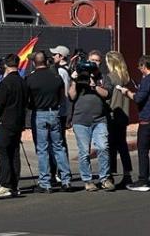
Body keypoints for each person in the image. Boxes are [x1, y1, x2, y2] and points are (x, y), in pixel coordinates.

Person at [25, 51, 71, 192]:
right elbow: (62, 97)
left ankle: (45, 182)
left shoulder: (30, 79)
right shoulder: (56, 77)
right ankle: (66, 180)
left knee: (42, 148)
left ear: (34, 63)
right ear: (46, 61)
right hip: (54, 112)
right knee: (58, 146)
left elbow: (28, 101)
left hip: (39, 113)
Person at [69, 49, 113, 191]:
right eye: (92, 60)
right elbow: (71, 96)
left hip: (99, 119)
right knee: (84, 152)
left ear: (100, 63)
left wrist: (94, 86)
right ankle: (88, 181)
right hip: (81, 120)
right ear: (87, 60)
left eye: (97, 60)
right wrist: (74, 80)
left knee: (103, 147)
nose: (94, 63)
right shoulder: (81, 75)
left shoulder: (103, 77)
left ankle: (105, 178)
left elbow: (107, 94)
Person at [0, 53, 28, 198]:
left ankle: (5, 184)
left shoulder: (6, 83)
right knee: (14, 152)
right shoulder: (22, 81)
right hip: (18, 121)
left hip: (6, 121)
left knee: (1, 150)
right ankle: (14, 184)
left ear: (6, 65)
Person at [119, 54, 150, 191]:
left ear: (144, 66)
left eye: (140, 66)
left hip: (146, 120)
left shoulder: (147, 80)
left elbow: (138, 98)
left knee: (143, 150)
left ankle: (143, 180)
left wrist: (126, 92)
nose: (139, 69)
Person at [106, 50, 134, 187]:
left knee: (110, 145)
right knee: (122, 145)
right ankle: (127, 174)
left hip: (112, 114)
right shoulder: (126, 77)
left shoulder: (110, 77)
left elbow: (107, 96)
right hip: (124, 114)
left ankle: (110, 175)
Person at [49, 45, 73, 182]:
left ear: (61, 56)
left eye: (55, 54)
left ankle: (61, 172)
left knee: (59, 143)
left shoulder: (62, 72)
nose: (53, 57)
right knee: (59, 142)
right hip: (61, 110)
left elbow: (64, 92)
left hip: (61, 111)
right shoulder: (62, 70)